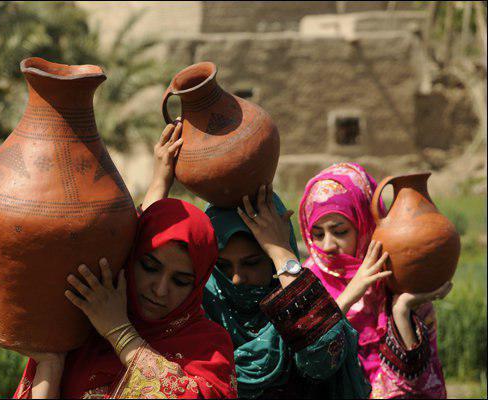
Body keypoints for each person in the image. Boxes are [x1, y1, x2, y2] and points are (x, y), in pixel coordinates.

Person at [142, 120, 371, 398]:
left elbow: (323, 354)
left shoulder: (296, 308)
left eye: (252, 263)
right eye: (224, 267)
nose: (237, 279)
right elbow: (142, 263)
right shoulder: (197, 310)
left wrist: (281, 252)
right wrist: (160, 181)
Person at [1, 197, 238, 399]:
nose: (160, 290)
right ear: (130, 257)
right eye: (149, 267)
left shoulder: (208, 346)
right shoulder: (83, 325)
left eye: (180, 281)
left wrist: (119, 331)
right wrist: (50, 364)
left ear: (197, 285)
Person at [298, 162, 451, 398]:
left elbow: (421, 386)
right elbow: (305, 364)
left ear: (365, 224)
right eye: (317, 234)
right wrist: (350, 295)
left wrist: (402, 311)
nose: (327, 246)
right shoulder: (304, 285)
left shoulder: (394, 277)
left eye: (340, 232)